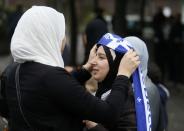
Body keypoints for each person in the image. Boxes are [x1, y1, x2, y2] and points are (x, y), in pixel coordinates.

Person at [3, 6, 140, 131]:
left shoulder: (13, 71)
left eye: (102, 57)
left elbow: (54, 88)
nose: (63, 41)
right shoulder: (52, 77)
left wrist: (86, 68)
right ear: (47, 36)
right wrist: (123, 74)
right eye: (61, 35)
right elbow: (109, 113)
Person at [84, 36, 165, 131]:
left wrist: (94, 127)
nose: (129, 61)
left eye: (133, 56)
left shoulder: (140, 92)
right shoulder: (106, 87)